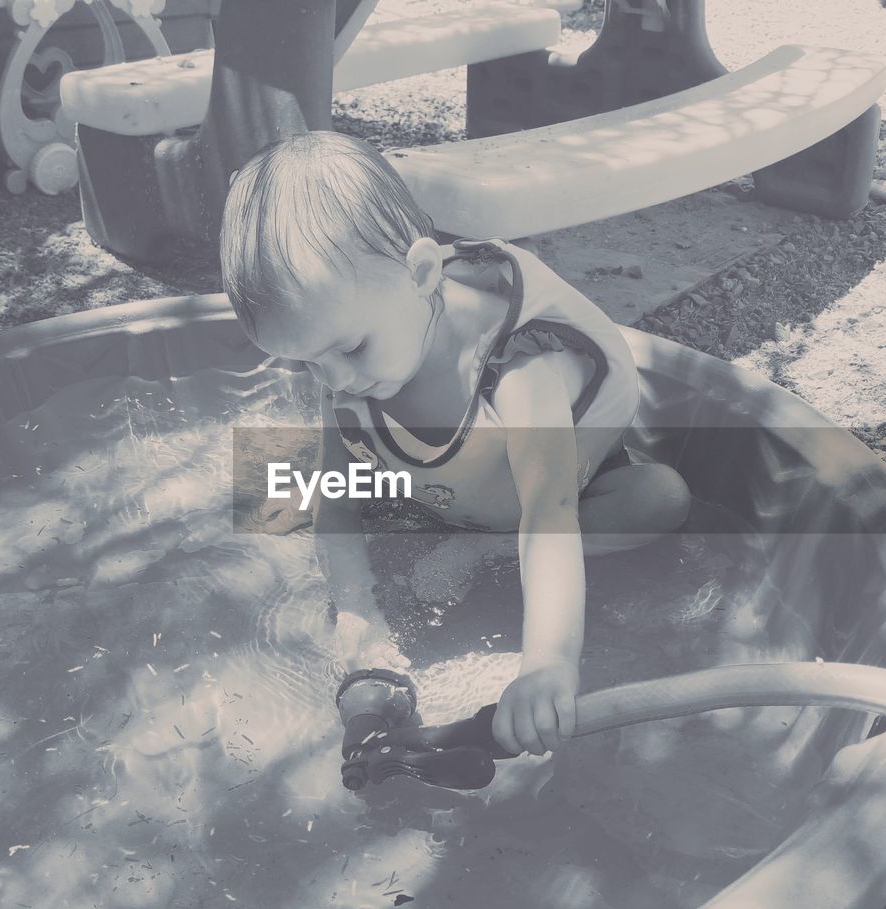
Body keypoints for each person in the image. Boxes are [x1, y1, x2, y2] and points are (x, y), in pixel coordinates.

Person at [220, 131, 690, 758]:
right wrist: (358, 617)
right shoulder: (351, 339)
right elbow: (335, 494)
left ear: (420, 273)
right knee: (274, 482)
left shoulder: (519, 371)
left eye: (349, 349)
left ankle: (479, 549)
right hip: (440, 485)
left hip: (533, 499)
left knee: (661, 498)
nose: (335, 380)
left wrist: (548, 664)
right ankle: (456, 531)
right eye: (305, 363)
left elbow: (550, 516)